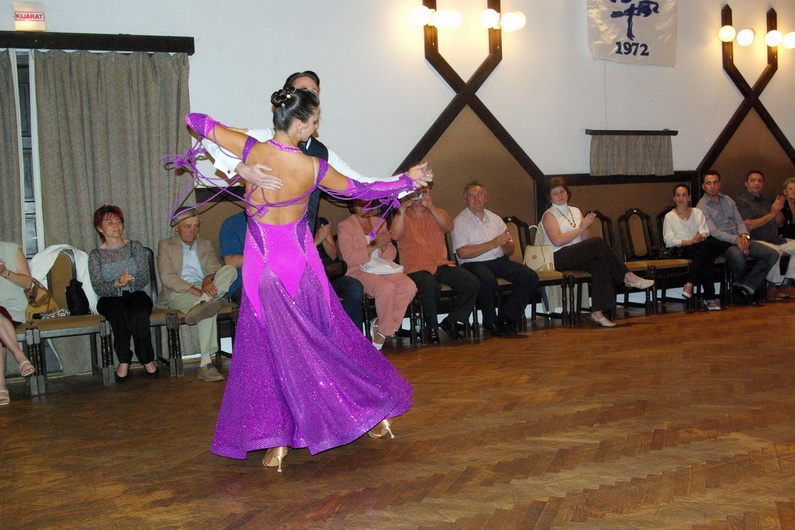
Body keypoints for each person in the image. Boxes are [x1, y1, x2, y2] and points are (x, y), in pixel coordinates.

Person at [182, 86, 431, 470]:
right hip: (303, 268)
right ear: (299, 126)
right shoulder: (313, 168)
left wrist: (241, 168)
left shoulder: (252, 150)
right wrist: (406, 180)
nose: (316, 128)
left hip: (264, 270)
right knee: (327, 343)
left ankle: (278, 443)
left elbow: (195, 121)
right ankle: (372, 415)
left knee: (269, 352)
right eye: (314, 122)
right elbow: (365, 188)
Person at [202, 70, 393, 233]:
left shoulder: (322, 153)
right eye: (303, 90)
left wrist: (405, 182)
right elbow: (208, 137)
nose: (309, 95)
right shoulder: (264, 138)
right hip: (265, 240)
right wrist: (241, 169)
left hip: (305, 240)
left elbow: (362, 183)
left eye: (314, 92)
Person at [538, 177, 654, 327]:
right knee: (598, 242)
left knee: (600, 263)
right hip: (558, 256)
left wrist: (586, 226)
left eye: (562, 191)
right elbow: (557, 241)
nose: (560, 195)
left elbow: (587, 240)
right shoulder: (549, 215)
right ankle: (627, 275)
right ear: (550, 197)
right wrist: (581, 228)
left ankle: (598, 312)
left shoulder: (575, 211)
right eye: (555, 193)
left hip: (576, 254)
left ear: (567, 192)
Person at [156, 208, 237, 382]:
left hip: (208, 288)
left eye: (196, 226)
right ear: (176, 226)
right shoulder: (166, 245)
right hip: (181, 291)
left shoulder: (204, 243)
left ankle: (204, 302)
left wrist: (207, 281)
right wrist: (195, 290)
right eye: (188, 226)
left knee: (230, 270)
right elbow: (167, 277)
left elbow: (215, 268)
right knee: (207, 309)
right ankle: (205, 364)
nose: (193, 231)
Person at [390, 187, 479, 343]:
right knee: (430, 286)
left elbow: (449, 226)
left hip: (440, 264)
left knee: (471, 282)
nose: (420, 197)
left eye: (423, 193)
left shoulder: (437, 212)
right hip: (415, 267)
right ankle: (431, 328)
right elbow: (395, 235)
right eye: (416, 194)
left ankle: (451, 321)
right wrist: (402, 209)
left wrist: (431, 207)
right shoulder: (403, 216)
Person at [451, 182, 539, 337]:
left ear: (486, 198)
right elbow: (462, 253)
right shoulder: (460, 221)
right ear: (465, 201)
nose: (476, 199)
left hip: (498, 261)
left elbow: (510, 250)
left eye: (479, 195)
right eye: (471, 196)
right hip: (473, 263)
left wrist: (505, 245)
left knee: (530, 276)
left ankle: (508, 317)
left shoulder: (495, 219)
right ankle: (490, 321)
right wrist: (492, 244)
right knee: (487, 280)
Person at [88, 205, 158, 381]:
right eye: (110, 222)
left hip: (135, 293)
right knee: (118, 316)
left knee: (138, 314)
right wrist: (117, 283)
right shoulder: (96, 255)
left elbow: (144, 276)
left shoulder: (135, 246)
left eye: (119, 221)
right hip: (109, 297)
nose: (116, 226)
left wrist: (129, 282)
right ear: (100, 228)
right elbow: (98, 286)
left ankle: (147, 359)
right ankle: (124, 360)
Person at [338, 200, 417, 350]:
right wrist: (373, 246)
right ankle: (383, 332)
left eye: (368, 203)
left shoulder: (380, 222)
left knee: (409, 286)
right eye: (360, 204)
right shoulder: (345, 226)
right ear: (352, 206)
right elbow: (349, 258)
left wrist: (384, 246)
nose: (365, 207)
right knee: (385, 288)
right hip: (359, 269)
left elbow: (391, 255)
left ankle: (381, 327)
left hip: (383, 267)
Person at [695, 171, 779, 305]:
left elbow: (739, 222)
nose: (712, 186)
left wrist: (744, 236)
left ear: (719, 184)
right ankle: (740, 290)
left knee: (772, 254)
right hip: (722, 243)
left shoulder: (728, 200)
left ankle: (745, 287)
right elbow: (714, 232)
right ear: (703, 186)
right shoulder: (701, 207)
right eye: (708, 183)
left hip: (740, 238)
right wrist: (736, 240)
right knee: (738, 256)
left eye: (715, 182)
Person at [734, 170, 795, 300]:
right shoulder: (741, 202)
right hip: (755, 241)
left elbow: (780, 223)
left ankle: (787, 283)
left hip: (774, 239)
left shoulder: (766, 201)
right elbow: (749, 226)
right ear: (746, 184)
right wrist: (772, 213)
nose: (757, 183)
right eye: (753, 180)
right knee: (774, 251)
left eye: (760, 181)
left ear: (763, 184)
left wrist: (777, 210)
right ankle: (771, 287)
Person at [662, 185, 724, 311]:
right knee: (707, 254)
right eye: (678, 195)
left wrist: (699, 237)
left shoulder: (697, 212)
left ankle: (690, 284)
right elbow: (668, 240)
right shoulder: (669, 216)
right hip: (681, 248)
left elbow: (704, 231)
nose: (681, 198)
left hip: (699, 246)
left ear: (689, 197)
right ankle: (709, 297)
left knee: (705, 251)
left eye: (684, 195)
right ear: (674, 198)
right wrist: (689, 241)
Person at [0, 241, 35, 406]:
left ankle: (1, 386)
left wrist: (5, 272)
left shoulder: (11, 249)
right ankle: (20, 356)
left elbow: (28, 283)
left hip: (11, 308)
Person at [315, 217, 365, 331]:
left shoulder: (320, 222)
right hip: (312, 279)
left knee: (355, 287)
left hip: (331, 274)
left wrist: (323, 238)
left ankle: (353, 334)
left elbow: (333, 255)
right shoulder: (295, 225)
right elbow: (298, 257)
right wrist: (316, 241)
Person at [219, 211, 247, 305]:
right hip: (243, 283)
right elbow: (231, 261)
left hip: (277, 281)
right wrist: (269, 257)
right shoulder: (233, 223)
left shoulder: (280, 221)